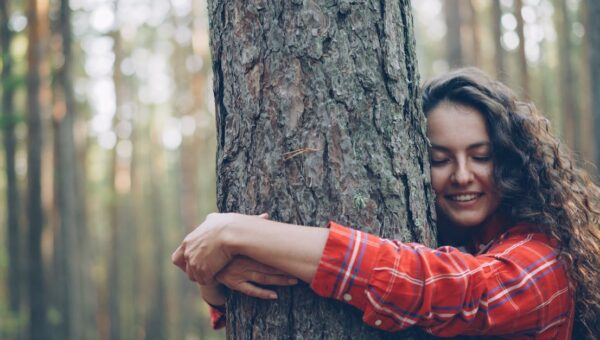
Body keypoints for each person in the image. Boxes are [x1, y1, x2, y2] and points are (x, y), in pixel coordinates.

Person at [172, 68, 600, 338]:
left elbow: (456, 291)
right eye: (439, 159)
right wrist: (215, 277)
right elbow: (263, 309)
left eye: (481, 156)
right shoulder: (453, 239)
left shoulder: (546, 262)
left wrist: (239, 232)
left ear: (510, 161)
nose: (463, 175)